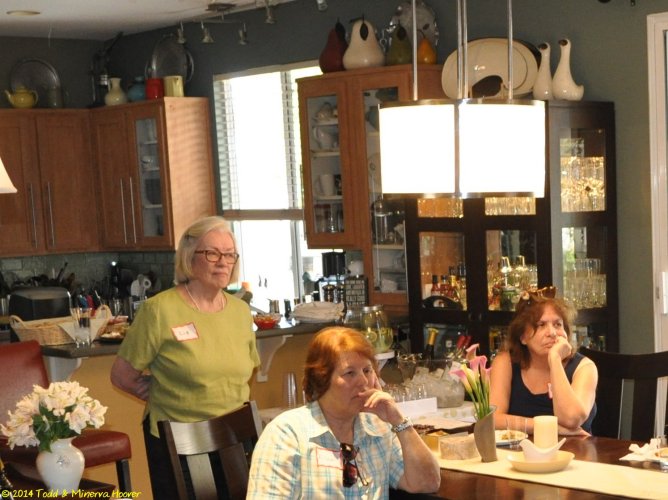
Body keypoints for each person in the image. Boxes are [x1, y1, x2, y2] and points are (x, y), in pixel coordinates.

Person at [110, 215, 260, 498]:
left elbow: (245, 371)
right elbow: (122, 376)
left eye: (229, 254)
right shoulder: (159, 310)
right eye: (212, 253)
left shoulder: (240, 312)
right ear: (190, 257)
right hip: (178, 443)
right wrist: (165, 390)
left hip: (234, 439)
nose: (223, 262)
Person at [247, 326, 441, 498]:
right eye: (350, 373)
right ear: (322, 379)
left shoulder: (377, 428)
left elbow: (428, 483)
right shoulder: (286, 435)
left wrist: (399, 422)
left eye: (367, 370)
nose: (363, 381)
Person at [489, 287, 598, 435]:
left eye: (557, 324)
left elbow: (571, 419)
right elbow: (493, 419)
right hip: (520, 448)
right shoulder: (505, 362)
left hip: (574, 448)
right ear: (522, 337)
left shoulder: (585, 367)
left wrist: (555, 360)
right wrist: (551, 427)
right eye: (541, 325)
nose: (552, 333)